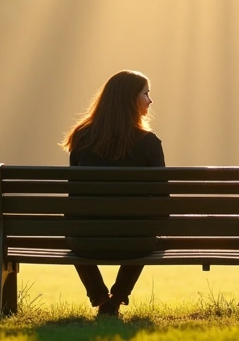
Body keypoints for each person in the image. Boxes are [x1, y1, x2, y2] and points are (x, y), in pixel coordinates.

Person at [60, 70, 163, 317]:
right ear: (130, 99)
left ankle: (100, 298)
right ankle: (115, 299)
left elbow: (76, 197)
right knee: (144, 230)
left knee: (75, 229)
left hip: (86, 241)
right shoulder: (149, 143)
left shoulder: (81, 137)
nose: (150, 100)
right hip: (135, 243)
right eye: (146, 93)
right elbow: (162, 201)